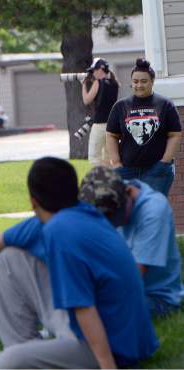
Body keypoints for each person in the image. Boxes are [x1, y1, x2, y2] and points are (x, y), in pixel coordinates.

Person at [0, 157, 158, 369]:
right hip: (116, 331)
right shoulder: (77, 212)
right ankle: (25, 348)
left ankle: (23, 355)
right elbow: (1, 240)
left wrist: (107, 366)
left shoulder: (61, 231)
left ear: (33, 201)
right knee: (9, 259)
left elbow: (84, 308)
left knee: (10, 362)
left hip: (116, 348)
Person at [79, 166, 183, 318]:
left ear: (129, 192)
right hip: (115, 284)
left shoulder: (154, 211)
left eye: (117, 217)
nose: (114, 224)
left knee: (89, 312)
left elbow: (132, 279)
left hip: (153, 298)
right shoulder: (106, 192)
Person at [106, 58, 182, 196]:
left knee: (154, 211)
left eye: (144, 81)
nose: (139, 85)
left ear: (152, 82)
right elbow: (111, 135)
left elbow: (175, 135)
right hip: (127, 171)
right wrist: (116, 163)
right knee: (130, 212)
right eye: (135, 81)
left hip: (157, 170)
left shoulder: (165, 105)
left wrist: (164, 162)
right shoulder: (120, 106)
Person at [82, 57, 119, 166]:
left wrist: (84, 85)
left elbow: (86, 100)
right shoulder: (115, 83)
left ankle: (98, 179)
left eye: (93, 70)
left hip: (99, 125)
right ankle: (110, 180)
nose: (93, 73)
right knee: (109, 158)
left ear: (100, 69)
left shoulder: (98, 83)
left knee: (95, 158)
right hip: (112, 125)